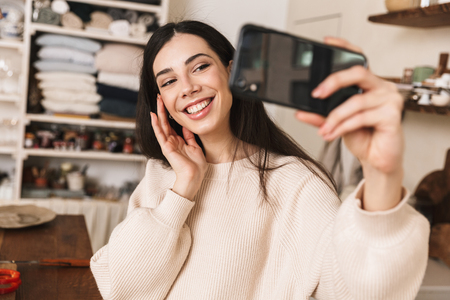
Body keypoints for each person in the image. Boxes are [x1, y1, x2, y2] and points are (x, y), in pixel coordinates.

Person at [90, 20, 429, 299]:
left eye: (201, 67)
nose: (188, 87)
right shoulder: (162, 177)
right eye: (169, 81)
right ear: (160, 100)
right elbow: (121, 289)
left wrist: (382, 175)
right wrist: (183, 190)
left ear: (232, 71)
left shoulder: (297, 183)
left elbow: (361, 293)